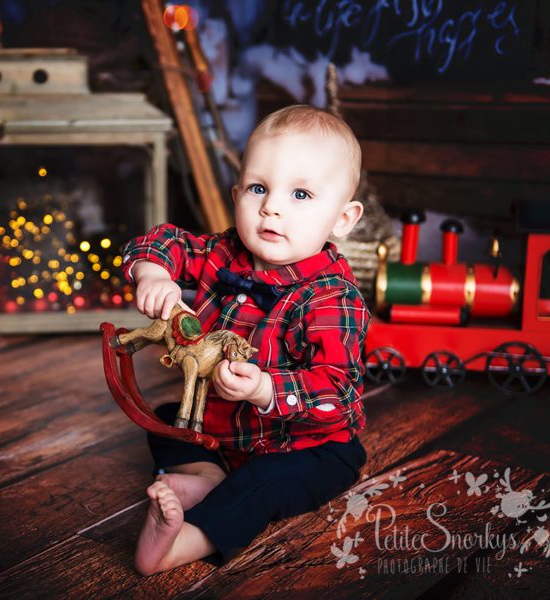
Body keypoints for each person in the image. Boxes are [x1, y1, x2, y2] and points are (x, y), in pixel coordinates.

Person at [120, 105, 370, 576]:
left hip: (305, 444)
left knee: (267, 483)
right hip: (224, 431)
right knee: (165, 419)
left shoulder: (332, 299)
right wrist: (154, 275)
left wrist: (265, 390)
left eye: (300, 194)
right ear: (236, 195)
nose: (271, 207)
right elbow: (165, 242)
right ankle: (205, 477)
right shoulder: (223, 253)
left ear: (343, 218)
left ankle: (182, 542)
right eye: (258, 188)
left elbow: (341, 396)